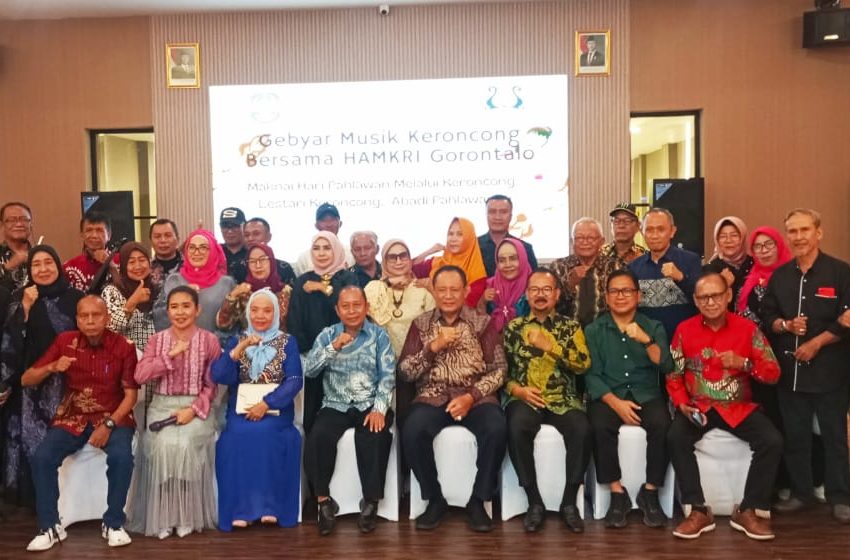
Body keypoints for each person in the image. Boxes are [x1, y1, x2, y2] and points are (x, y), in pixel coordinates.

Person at [667, 273, 782, 541]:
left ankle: (749, 509)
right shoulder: (684, 330)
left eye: (716, 295)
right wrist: (682, 404)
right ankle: (697, 510)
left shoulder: (748, 330)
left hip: (737, 407)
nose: (710, 302)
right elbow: (673, 374)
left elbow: (773, 373)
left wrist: (743, 364)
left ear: (728, 295)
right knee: (675, 437)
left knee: (772, 440)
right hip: (699, 407)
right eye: (704, 297)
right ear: (695, 301)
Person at [22, 295, 139, 551]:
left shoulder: (123, 346)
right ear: (77, 319)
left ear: (107, 318)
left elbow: (131, 396)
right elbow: (26, 379)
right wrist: (53, 366)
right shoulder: (65, 342)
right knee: (42, 457)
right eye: (84, 316)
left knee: (122, 457)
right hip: (72, 415)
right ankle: (50, 526)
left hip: (113, 415)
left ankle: (114, 523)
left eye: (96, 315)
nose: (90, 321)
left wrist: (108, 425)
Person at [399, 265, 507, 533]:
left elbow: (500, 370)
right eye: (442, 289)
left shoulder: (482, 322)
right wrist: (431, 348)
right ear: (433, 291)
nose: (448, 295)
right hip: (432, 395)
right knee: (412, 430)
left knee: (496, 428)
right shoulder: (421, 323)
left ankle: (478, 500)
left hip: (475, 396)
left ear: (466, 291)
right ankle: (434, 499)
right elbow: (405, 372)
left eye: (454, 289)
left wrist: (472, 396)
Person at [760, 208, 850, 523]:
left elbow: (848, 319)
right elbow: (766, 318)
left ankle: (840, 497)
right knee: (795, 436)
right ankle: (801, 494)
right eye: (793, 232)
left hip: (831, 373)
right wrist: (785, 325)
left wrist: (816, 342)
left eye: (804, 230)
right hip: (790, 374)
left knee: (834, 437)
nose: (798, 237)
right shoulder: (780, 276)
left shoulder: (841, 272)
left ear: (818, 233)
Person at [502, 269, 592, 533]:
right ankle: (534, 502)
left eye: (546, 289)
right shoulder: (514, 328)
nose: (540, 295)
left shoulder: (570, 326)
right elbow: (501, 372)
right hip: (525, 397)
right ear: (527, 294)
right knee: (516, 427)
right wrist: (517, 391)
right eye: (535, 290)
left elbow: (583, 364)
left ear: (556, 294)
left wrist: (550, 347)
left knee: (583, 429)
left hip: (562, 399)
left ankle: (568, 503)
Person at [303, 285, 396, 535]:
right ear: (337, 309)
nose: (352, 311)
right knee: (318, 437)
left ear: (366, 307)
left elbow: (388, 376)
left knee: (375, 435)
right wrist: (333, 347)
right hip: (335, 404)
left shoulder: (379, 336)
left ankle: (370, 502)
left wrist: (379, 409)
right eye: (346, 306)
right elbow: (309, 370)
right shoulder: (327, 335)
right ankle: (324, 502)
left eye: (357, 305)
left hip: (369, 403)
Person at [129, 286, 220, 539]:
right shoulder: (157, 340)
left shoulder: (209, 340)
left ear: (197, 309)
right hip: (161, 406)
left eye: (186, 306)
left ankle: (187, 516)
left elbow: (212, 386)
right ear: (167, 311)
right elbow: (140, 375)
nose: (180, 312)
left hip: (196, 407)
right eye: (174, 307)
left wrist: (193, 410)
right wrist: (169, 356)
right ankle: (164, 517)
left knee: (187, 445)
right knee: (162, 444)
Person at [585, 270, 673, 529]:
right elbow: (591, 375)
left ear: (638, 295)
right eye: (615, 291)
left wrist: (646, 341)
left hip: (647, 394)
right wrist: (615, 403)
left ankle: (650, 490)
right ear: (607, 297)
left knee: (663, 425)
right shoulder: (594, 329)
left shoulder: (653, 327)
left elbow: (666, 365)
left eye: (627, 291)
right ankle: (616, 493)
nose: (621, 296)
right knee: (599, 425)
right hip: (610, 394)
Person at [212, 289, 303, 530]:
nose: (260, 315)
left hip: (276, 410)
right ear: (248, 312)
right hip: (240, 410)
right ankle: (240, 509)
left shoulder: (287, 341)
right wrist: (238, 350)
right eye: (255, 310)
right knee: (236, 438)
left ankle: (270, 507)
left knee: (268, 435)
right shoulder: (237, 339)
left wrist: (267, 403)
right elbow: (220, 375)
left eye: (267, 310)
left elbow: (294, 380)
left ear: (276, 313)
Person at [0, 245, 83, 507]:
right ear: (29, 270)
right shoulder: (21, 297)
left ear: (58, 266)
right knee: (31, 440)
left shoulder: (76, 298)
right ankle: (37, 500)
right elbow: (10, 341)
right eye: (37, 264)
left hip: (70, 381)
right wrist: (25, 307)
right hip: (32, 382)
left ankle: (68, 500)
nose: (44, 269)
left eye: (49, 263)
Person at [287, 231, 357, 433]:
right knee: (313, 416)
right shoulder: (303, 281)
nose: (321, 253)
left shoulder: (347, 278)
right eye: (316, 248)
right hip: (313, 358)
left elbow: (350, 309)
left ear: (336, 249)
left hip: (344, 356)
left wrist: (322, 288)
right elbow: (295, 319)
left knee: (343, 415)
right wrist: (310, 352)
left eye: (327, 248)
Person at [364, 239, 435, 430]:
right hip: (382, 365)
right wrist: (389, 284)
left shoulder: (422, 291)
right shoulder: (374, 290)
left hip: (417, 365)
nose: (398, 261)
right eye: (392, 256)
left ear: (410, 259)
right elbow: (373, 321)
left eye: (403, 255)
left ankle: (408, 455)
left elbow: (432, 328)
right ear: (384, 261)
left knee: (410, 414)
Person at [628, 207, 702, 340]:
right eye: (649, 230)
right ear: (642, 232)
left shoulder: (691, 260)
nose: (655, 235)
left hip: (684, 341)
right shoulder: (634, 267)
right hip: (648, 343)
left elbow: (702, 301)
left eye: (661, 229)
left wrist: (681, 278)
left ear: (672, 231)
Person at [153, 229, 236, 335]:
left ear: (213, 251)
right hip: (178, 346)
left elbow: (233, 323)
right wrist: (182, 296)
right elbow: (158, 317)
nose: (196, 252)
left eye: (203, 247)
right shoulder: (174, 280)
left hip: (215, 347)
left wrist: (209, 343)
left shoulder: (226, 283)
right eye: (191, 247)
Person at [550, 217, 621, 326]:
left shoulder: (615, 267)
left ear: (602, 241)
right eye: (579, 238)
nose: (585, 242)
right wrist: (570, 286)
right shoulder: (557, 268)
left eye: (591, 238)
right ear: (571, 241)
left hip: (605, 333)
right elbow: (550, 306)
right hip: (567, 334)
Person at [413, 217, 488, 308]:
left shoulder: (477, 274)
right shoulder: (438, 262)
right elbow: (411, 269)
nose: (453, 239)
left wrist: (432, 289)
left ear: (469, 238)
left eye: (460, 234)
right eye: (450, 234)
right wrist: (429, 251)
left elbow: (464, 308)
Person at [217, 243, 292, 332]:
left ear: (271, 262)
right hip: (249, 343)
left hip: (280, 343)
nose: (258, 265)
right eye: (252, 261)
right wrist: (233, 295)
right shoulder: (243, 292)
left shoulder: (286, 292)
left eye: (262, 259)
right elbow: (223, 324)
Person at [101, 242, 157, 351]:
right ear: (123, 265)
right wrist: (132, 302)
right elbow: (111, 328)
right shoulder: (112, 291)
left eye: (142, 260)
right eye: (131, 262)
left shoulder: (157, 288)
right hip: (125, 356)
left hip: (156, 357)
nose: (138, 266)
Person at [476, 195, 538, 277]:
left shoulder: (525, 248)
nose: (497, 217)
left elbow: (534, 282)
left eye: (503, 212)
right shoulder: (474, 246)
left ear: (511, 216)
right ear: (486, 215)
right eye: (492, 212)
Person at [481, 238, 532, 332]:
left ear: (523, 258)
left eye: (513, 258)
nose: (507, 264)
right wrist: (483, 301)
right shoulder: (490, 285)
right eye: (502, 260)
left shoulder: (533, 285)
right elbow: (479, 322)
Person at [704, 216, 754, 310]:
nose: (728, 240)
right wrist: (723, 284)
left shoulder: (755, 264)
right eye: (723, 236)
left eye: (734, 235)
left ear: (743, 238)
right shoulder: (710, 270)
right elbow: (708, 306)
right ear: (717, 241)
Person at [293, 203, 354, 276]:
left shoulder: (351, 253)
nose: (329, 224)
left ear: (340, 223)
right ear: (316, 225)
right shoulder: (304, 258)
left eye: (332, 219)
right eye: (323, 220)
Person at [63, 211, 114, 293]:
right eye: (89, 230)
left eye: (99, 230)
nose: (94, 235)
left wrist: (111, 266)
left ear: (109, 235)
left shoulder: (122, 262)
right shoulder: (69, 268)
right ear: (82, 235)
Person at [242, 217, 297, 285]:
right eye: (246, 235)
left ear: (269, 237)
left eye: (256, 234)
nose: (250, 238)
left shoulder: (283, 267)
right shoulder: (239, 268)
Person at [0, 201, 33, 292]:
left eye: (24, 219)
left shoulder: (40, 254)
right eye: (11, 220)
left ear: (31, 224)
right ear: (2, 225)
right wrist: (8, 267)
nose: (19, 224)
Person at [149, 219, 183, 289]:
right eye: (157, 236)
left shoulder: (189, 267)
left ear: (177, 240)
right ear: (151, 242)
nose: (163, 240)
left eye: (168, 235)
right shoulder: (146, 270)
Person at [219, 207, 248, 283]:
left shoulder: (253, 253)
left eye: (234, 226)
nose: (229, 231)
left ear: (244, 227)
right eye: (225, 226)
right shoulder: (214, 252)